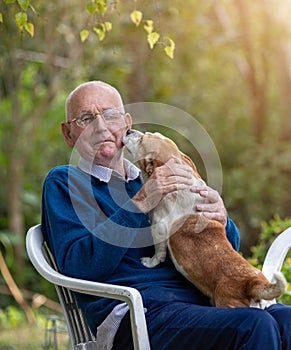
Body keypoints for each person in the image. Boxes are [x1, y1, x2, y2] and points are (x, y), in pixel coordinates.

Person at [41, 80, 291, 350]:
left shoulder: (154, 176)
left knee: (287, 319)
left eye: (110, 115)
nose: (101, 127)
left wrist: (219, 220)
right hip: (139, 314)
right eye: (86, 118)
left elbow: (217, 251)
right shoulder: (64, 182)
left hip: (199, 301)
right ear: (68, 134)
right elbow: (79, 266)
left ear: (126, 124)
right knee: (254, 325)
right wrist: (139, 205)